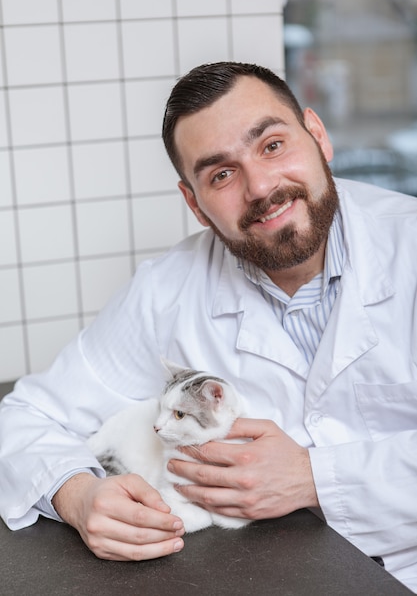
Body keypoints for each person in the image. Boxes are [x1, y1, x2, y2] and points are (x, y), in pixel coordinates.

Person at [1, 62, 417, 592]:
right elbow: (24, 418)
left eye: (271, 145)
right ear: (194, 204)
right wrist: (76, 495)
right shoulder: (165, 290)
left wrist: (314, 478)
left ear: (318, 135)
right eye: (221, 174)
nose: (262, 187)